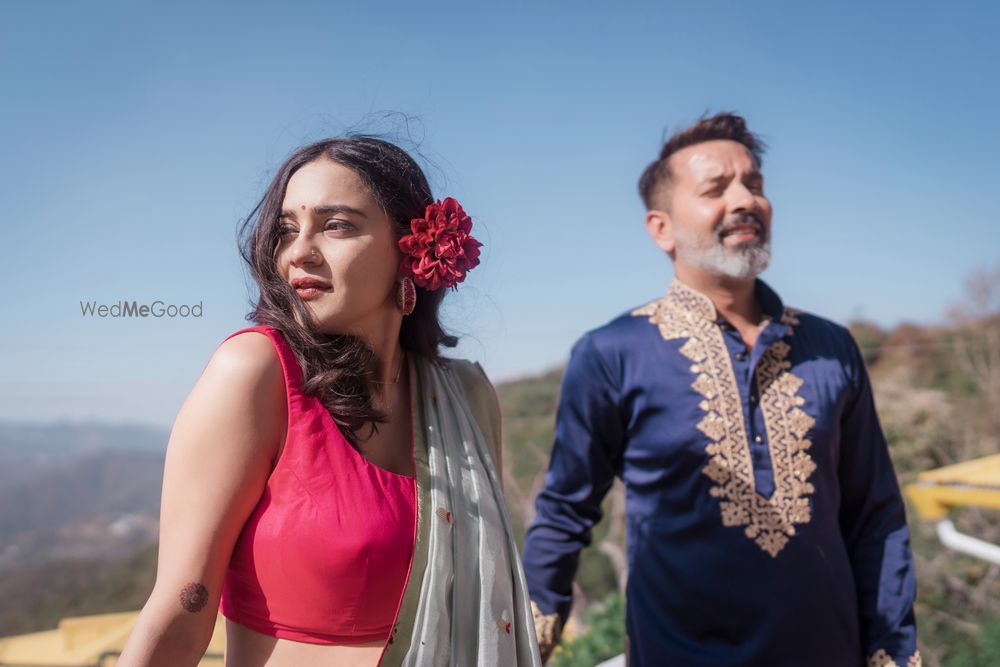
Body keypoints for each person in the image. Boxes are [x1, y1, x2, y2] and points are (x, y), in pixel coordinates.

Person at [119, 136, 542, 667]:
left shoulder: (464, 398)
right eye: (286, 230)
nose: (298, 252)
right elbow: (181, 609)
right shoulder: (256, 373)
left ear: (413, 247)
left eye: (336, 225)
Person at [523, 113, 920, 667]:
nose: (745, 200)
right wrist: (526, 639)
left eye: (754, 184)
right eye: (716, 188)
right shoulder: (612, 354)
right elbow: (565, 513)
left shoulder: (831, 347)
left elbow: (875, 516)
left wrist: (893, 650)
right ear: (661, 229)